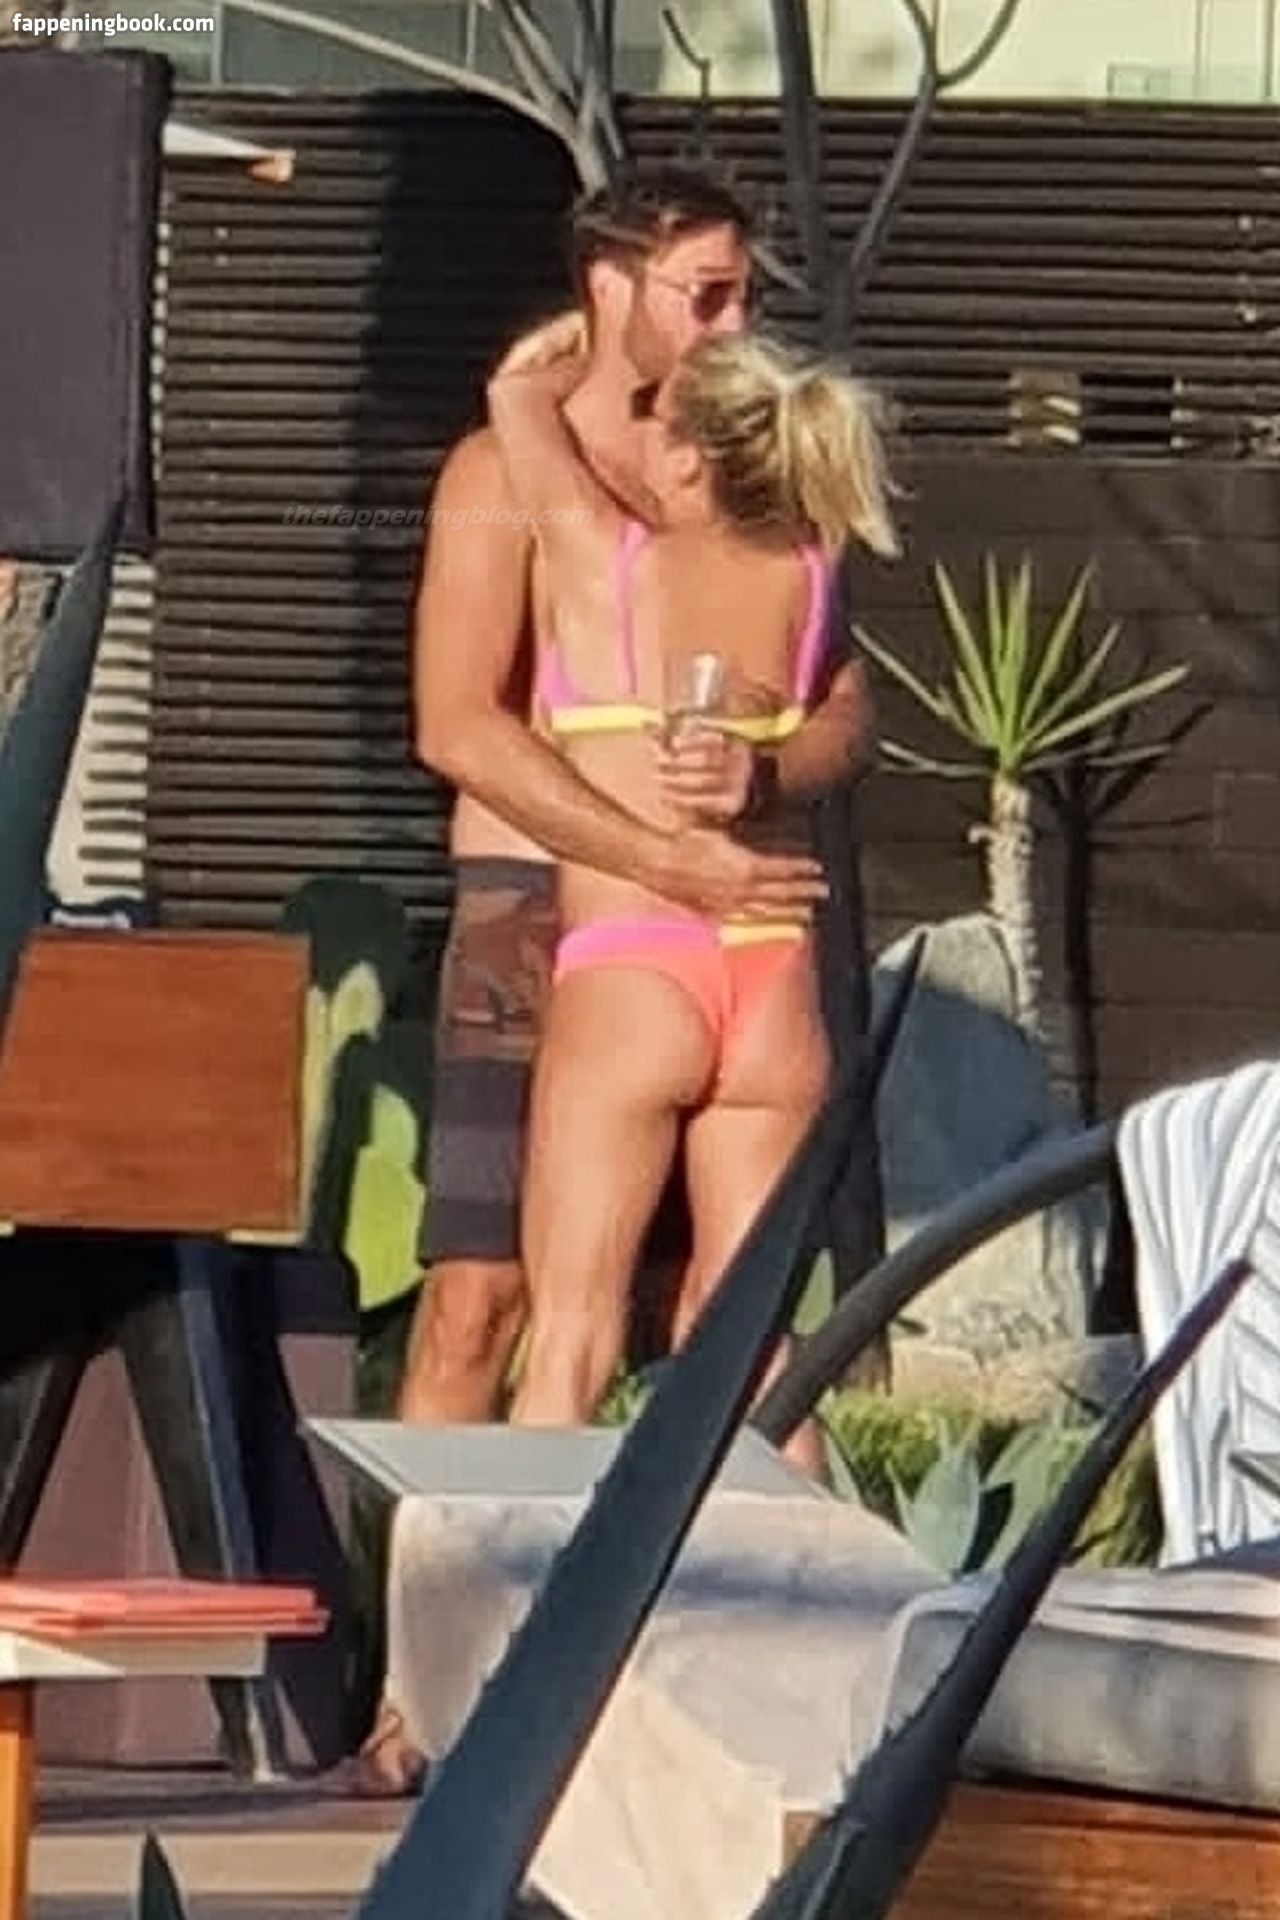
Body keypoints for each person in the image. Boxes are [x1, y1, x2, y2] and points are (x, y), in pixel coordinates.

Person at [354, 165, 871, 1793]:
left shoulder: (716, 478)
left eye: (742, 294)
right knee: (481, 1300)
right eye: (705, 290)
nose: (732, 317)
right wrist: (671, 850)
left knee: (619, 1324)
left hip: (664, 928)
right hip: (563, 902)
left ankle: (532, 1701)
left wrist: (765, 779)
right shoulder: (506, 477)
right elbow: (460, 726)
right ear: (610, 280)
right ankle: (418, 1689)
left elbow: (845, 702)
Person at [485, 316, 898, 1464]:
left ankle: (533, 1580)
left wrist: (596, 323)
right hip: (770, 975)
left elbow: (515, 397)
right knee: (755, 1348)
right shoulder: (808, 574)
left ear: (685, 456)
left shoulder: (606, 559)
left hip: (634, 960)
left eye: (652, 420)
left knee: (570, 1339)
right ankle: (805, 1575)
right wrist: (763, 770)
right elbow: (850, 729)